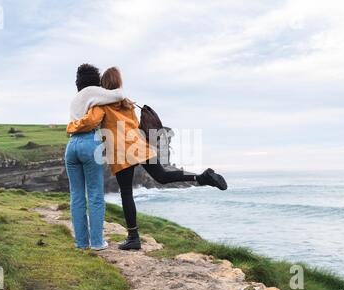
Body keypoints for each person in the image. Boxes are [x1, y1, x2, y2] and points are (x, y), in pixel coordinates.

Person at [67, 67, 227, 251]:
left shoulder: (101, 105)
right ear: (119, 83)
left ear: (103, 86)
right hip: (139, 145)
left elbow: (91, 121)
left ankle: (133, 237)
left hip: (122, 151)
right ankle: (201, 177)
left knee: (126, 192)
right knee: (162, 176)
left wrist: (72, 126)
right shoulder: (128, 103)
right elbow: (135, 124)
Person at [65, 63, 125, 251]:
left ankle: (81, 243)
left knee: (76, 195)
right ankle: (97, 242)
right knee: (95, 195)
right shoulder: (93, 91)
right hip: (91, 144)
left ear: (78, 81)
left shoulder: (75, 99)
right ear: (95, 78)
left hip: (72, 145)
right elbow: (120, 94)